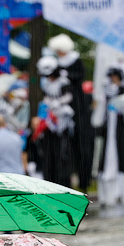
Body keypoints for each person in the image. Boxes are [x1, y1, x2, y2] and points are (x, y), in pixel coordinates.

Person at [49, 33, 93, 190]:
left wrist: (66, 76)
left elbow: (79, 77)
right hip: (62, 108)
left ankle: (84, 182)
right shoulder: (55, 64)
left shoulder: (75, 61)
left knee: (82, 147)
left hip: (77, 107)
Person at [98, 66, 124, 209]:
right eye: (111, 76)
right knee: (108, 158)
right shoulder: (107, 91)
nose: (113, 79)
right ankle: (110, 194)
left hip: (122, 128)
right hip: (110, 128)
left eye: (115, 76)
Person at [39, 55, 75, 187]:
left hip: (63, 120)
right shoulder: (47, 83)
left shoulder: (64, 82)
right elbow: (46, 97)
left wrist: (58, 103)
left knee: (62, 153)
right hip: (50, 122)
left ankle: (63, 181)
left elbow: (69, 96)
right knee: (50, 153)